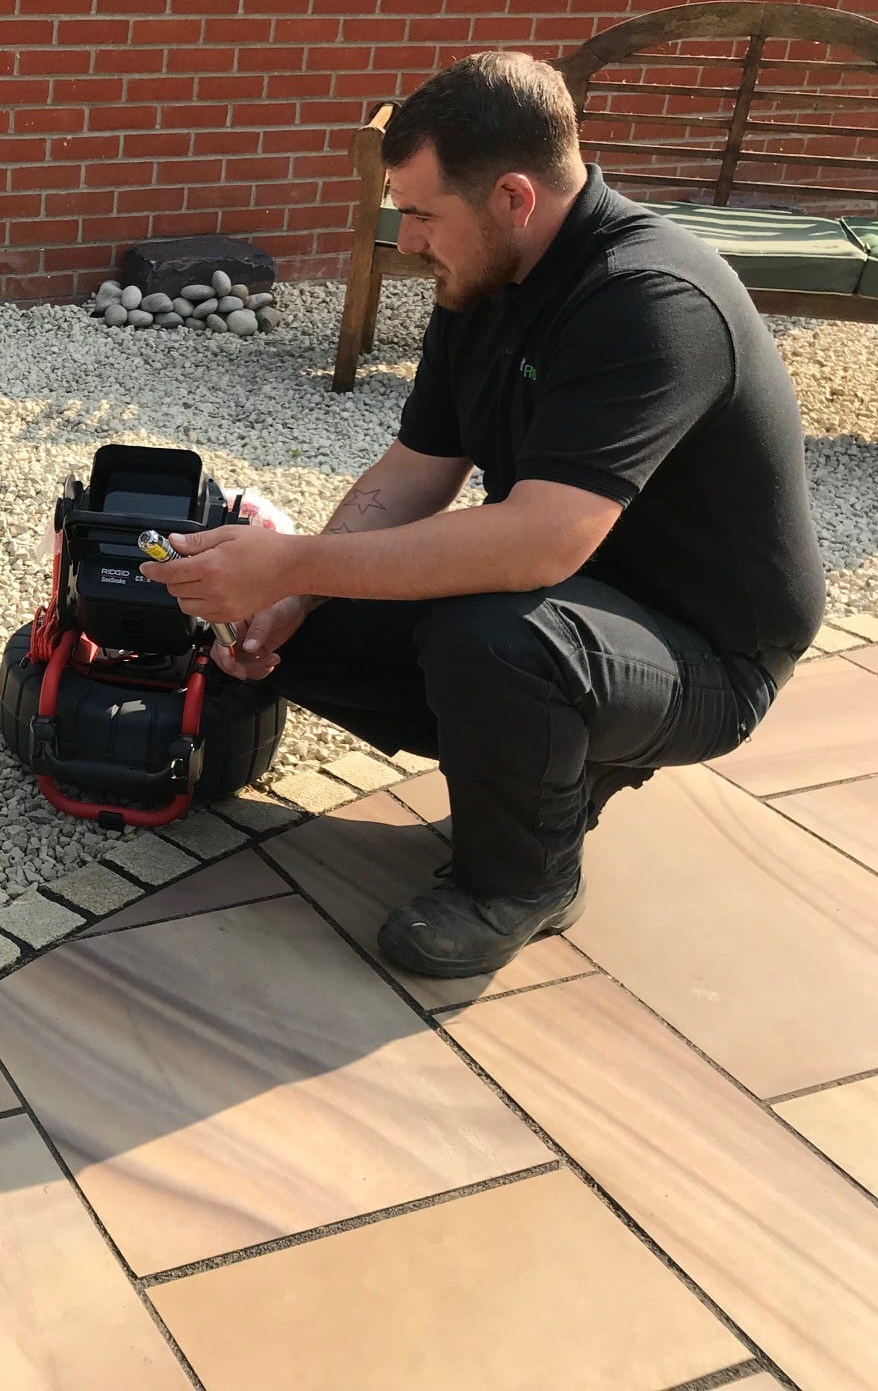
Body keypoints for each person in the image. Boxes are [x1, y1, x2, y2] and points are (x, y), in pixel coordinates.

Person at [142, 51, 824, 979]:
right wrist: (292, 597)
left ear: (513, 198)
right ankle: (550, 763)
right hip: (579, 599)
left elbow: (544, 540)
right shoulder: (483, 284)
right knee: (314, 620)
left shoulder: (651, 301)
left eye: (421, 214)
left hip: (709, 652)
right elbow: (418, 469)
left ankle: (524, 880)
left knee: (495, 637)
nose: (408, 240)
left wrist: (293, 563)